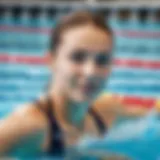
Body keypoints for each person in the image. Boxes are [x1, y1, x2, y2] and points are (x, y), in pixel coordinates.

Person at [0, 11, 148, 158]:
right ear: (51, 61)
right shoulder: (27, 125)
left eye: (102, 60)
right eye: (77, 57)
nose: (90, 72)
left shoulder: (106, 110)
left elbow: (153, 110)